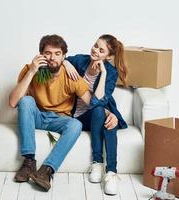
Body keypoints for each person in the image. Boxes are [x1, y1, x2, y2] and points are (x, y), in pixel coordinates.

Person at [9, 34, 117, 191]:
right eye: (47, 53)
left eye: (57, 54)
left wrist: (109, 114)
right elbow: (13, 102)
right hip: (37, 116)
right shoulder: (29, 70)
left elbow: (91, 103)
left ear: (64, 56)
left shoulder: (72, 76)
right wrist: (32, 71)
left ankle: (46, 171)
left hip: (59, 120)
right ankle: (29, 162)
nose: (52, 58)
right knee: (25, 101)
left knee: (76, 124)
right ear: (41, 54)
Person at [63, 34, 128, 195]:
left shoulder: (111, 73)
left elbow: (97, 102)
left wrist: (104, 73)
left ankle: (110, 172)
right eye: (95, 45)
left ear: (109, 56)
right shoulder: (81, 60)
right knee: (103, 113)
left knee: (105, 115)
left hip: (97, 114)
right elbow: (61, 59)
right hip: (79, 117)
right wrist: (66, 63)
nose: (95, 50)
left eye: (101, 50)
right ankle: (98, 162)